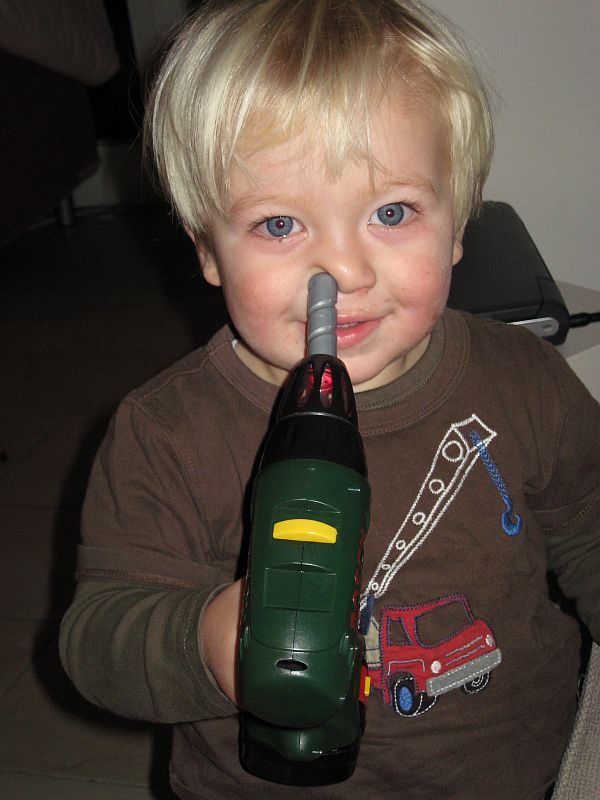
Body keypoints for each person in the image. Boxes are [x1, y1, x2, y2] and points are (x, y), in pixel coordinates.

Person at [59, 1, 600, 798]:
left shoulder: (525, 378)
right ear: (208, 248)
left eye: (392, 212)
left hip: (524, 768)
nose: (342, 271)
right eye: (280, 223)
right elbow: (97, 641)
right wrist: (216, 644)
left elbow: (589, 532)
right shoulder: (167, 432)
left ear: (459, 224)